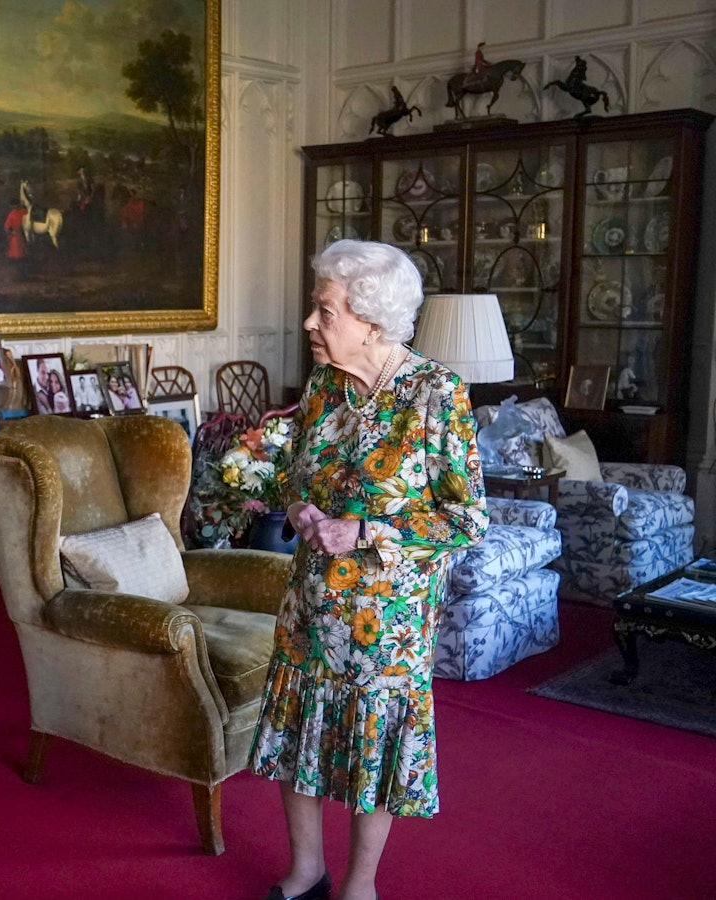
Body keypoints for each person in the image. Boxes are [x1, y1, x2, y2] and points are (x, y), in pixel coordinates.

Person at [249, 239, 488, 900]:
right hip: (310, 610)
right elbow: (291, 474)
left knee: (374, 753)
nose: (309, 325)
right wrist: (298, 509)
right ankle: (304, 870)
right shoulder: (325, 387)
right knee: (299, 742)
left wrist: (366, 529)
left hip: (389, 625)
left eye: (324, 312)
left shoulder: (437, 395)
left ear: (373, 320)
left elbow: (467, 519)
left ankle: (360, 884)